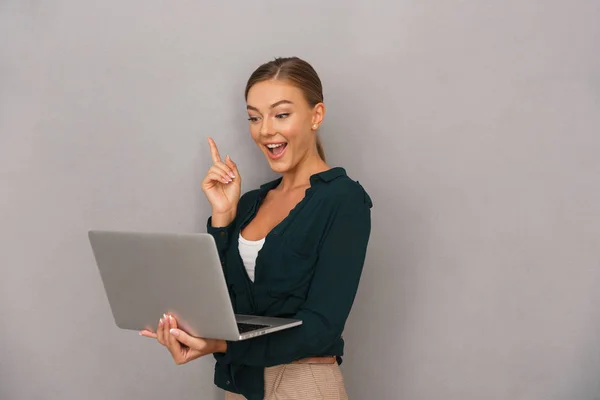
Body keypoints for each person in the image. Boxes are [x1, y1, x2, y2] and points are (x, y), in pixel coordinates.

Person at [140, 57, 372, 400]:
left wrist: (219, 344)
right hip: (241, 385)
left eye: (281, 114)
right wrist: (222, 217)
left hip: (302, 384)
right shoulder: (248, 204)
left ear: (316, 115)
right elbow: (219, 302)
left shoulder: (343, 200)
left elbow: (321, 327)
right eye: (254, 117)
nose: (265, 130)